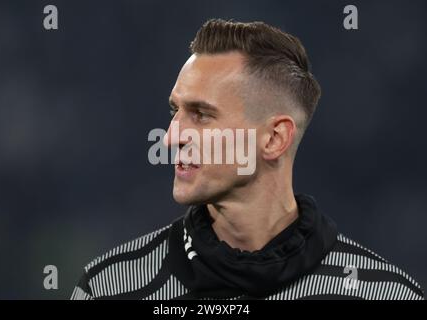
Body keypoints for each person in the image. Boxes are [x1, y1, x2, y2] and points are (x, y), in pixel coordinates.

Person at [71, 19, 424, 300]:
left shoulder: (385, 294)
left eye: (202, 114)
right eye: (175, 111)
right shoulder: (109, 288)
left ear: (274, 139)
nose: (172, 137)